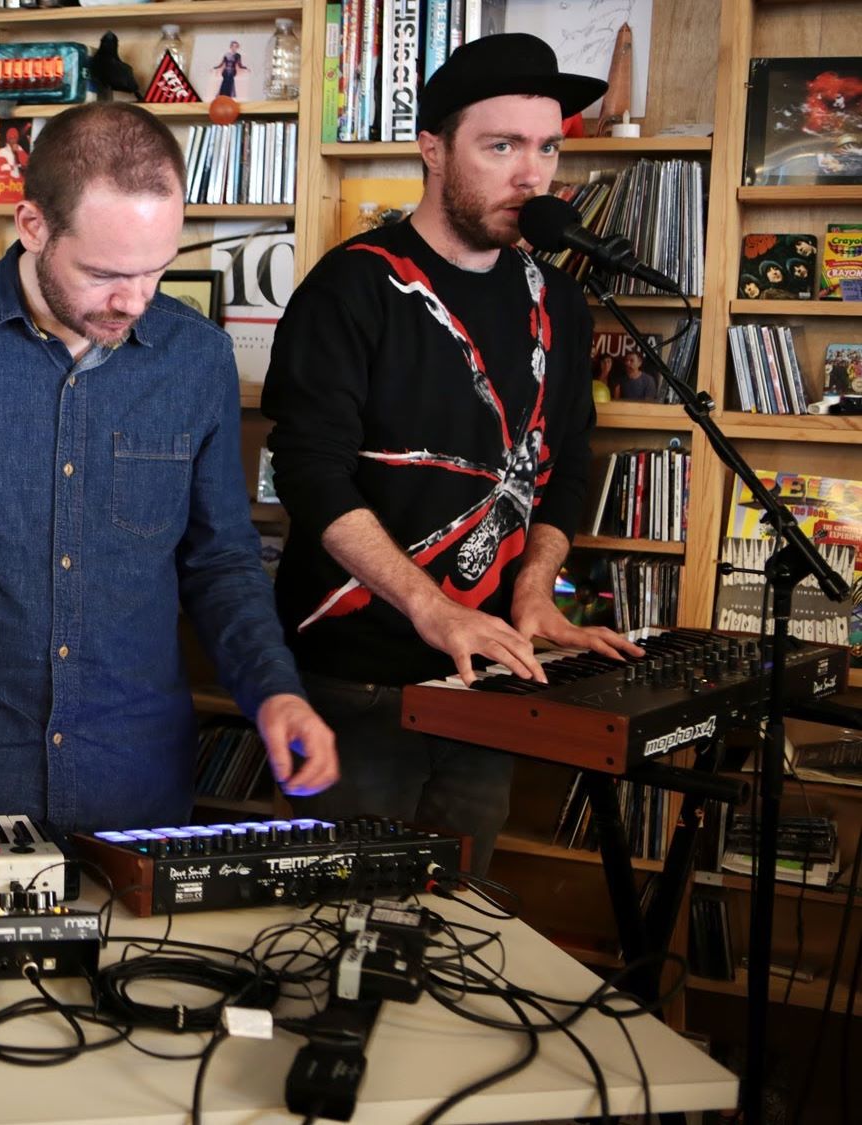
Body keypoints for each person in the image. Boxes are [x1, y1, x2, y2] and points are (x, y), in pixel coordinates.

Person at [0, 102, 336, 834]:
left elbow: (220, 561)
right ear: (32, 226)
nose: (135, 301)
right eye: (105, 273)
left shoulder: (196, 357)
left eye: (156, 271)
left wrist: (273, 687)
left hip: (136, 780)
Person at [261, 34, 643, 874]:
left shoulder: (562, 300)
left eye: (546, 148)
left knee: (455, 926)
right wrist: (432, 607)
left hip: (489, 681)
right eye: (500, 145)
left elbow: (561, 464)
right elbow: (310, 474)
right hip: (356, 684)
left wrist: (535, 594)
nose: (531, 175)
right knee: (331, 930)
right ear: (431, 150)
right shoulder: (352, 287)